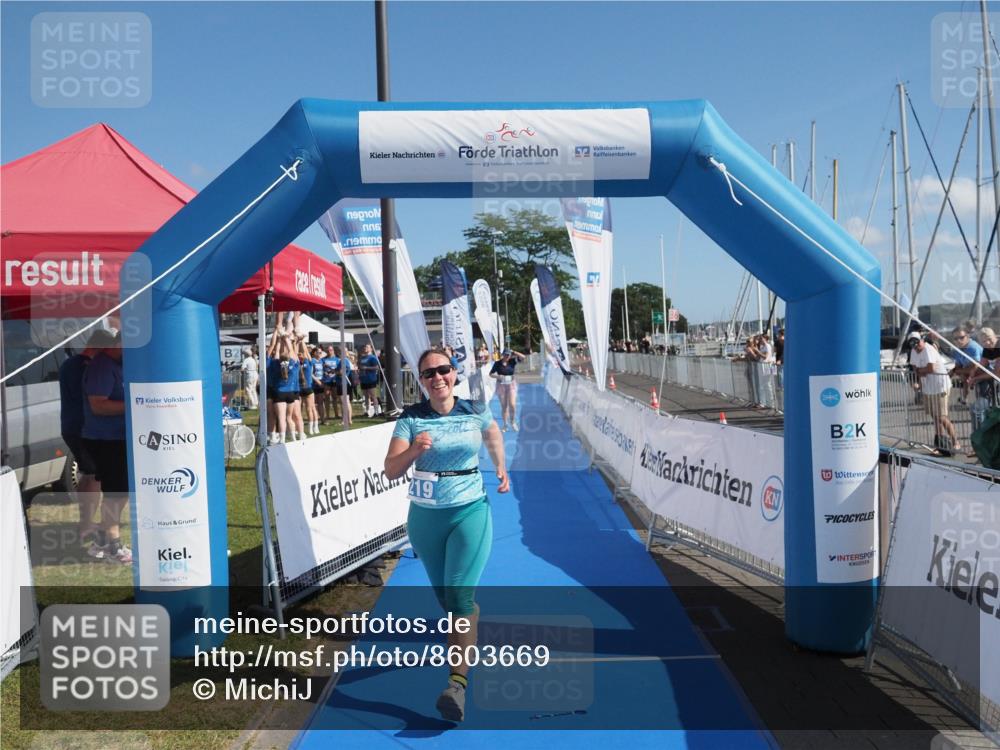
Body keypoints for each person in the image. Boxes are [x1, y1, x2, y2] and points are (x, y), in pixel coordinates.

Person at [383, 348, 509, 723]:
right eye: (428, 374)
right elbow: (391, 469)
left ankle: (456, 685)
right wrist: (415, 451)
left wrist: (501, 467)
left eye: (443, 370)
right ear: (420, 381)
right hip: (425, 520)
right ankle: (468, 617)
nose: (437, 378)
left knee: (457, 594)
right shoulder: (410, 419)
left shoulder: (472, 408)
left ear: (454, 373)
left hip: (470, 511)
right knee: (451, 602)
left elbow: (493, 433)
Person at [81, 331, 131, 563]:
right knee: (116, 493)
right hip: (105, 440)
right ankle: (114, 546)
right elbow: (98, 406)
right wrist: (134, 404)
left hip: (116, 438)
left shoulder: (115, 364)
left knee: (121, 492)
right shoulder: (102, 365)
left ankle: (101, 541)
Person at [59, 330, 112, 548]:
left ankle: (85, 522)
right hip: (82, 428)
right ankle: (88, 525)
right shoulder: (83, 367)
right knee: (94, 476)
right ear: (98, 347)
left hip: (71, 426)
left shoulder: (69, 364)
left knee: (87, 474)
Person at [908, 331, 961, 454]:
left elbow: (931, 368)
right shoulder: (913, 351)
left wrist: (921, 372)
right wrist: (920, 382)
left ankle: (955, 442)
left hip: (941, 386)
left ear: (922, 340)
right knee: (935, 417)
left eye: (918, 342)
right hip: (928, 388)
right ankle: (940, 444)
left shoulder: (928, 349)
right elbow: (916, 369)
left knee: (942, 417)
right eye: (913, 345)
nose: (916, 346)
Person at [489, 349, 526, 431]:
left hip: (511, 385)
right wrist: (498, 376)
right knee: (504, 406)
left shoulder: (512, 361)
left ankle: (512, 422)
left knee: (512, 405)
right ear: (503, 355)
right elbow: (491, 374)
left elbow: (523, 357)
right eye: (506, 355)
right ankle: (505, 425)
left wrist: (515, 352)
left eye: (508, 355)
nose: (507, 356)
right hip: (501, 385)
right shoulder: (497, 363)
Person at [358, 343, 381, 417]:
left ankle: (376, 412)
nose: (365, 348)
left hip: (371, 379)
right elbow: (360, 367)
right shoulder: (362, 358)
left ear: (371, 349)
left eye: (367, 347)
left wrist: (367, 368)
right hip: (363, 379)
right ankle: (367, 411)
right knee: (366, 396)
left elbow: (376, 367)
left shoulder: (373, 358)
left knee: (373, 396)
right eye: (365, 347)